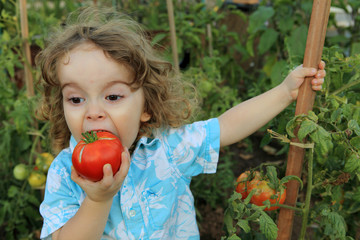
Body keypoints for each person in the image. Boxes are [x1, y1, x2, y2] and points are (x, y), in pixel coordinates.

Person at [36, 7, 325, 240]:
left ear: (146, 107)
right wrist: (97, 201)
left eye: (112, 96)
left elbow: (226, 127)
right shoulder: (66, 173)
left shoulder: (168, 148)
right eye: (75, 99)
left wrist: (284, 91)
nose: (93, 112)